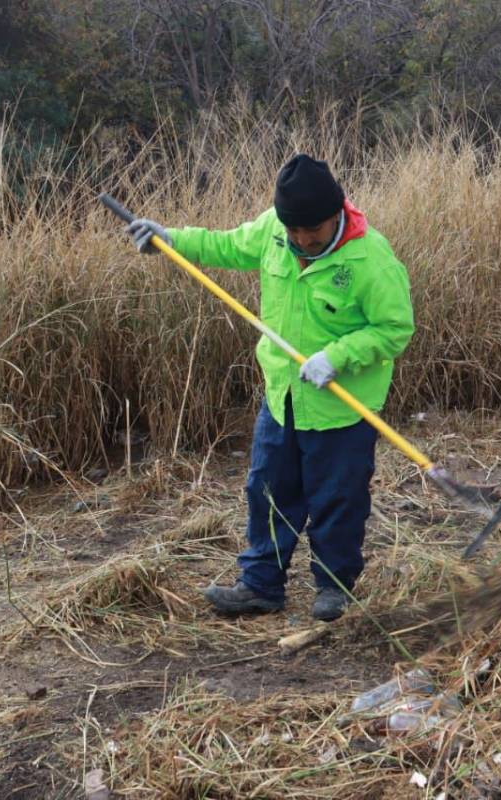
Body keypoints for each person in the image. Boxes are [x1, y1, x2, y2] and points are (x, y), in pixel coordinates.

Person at [125, 154, 414, 621]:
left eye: (312, 231)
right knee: (268, 491)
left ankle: (335, 586)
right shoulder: (273, 231)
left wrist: (338, 357)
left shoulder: (371, 259)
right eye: (293, 230)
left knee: (338, 499)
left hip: (341, 409)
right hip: (282, 397)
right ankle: (260, 585)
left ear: (336, 214)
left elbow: (394, 329)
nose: (301, 240)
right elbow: (227, 245)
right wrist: (171, 239)